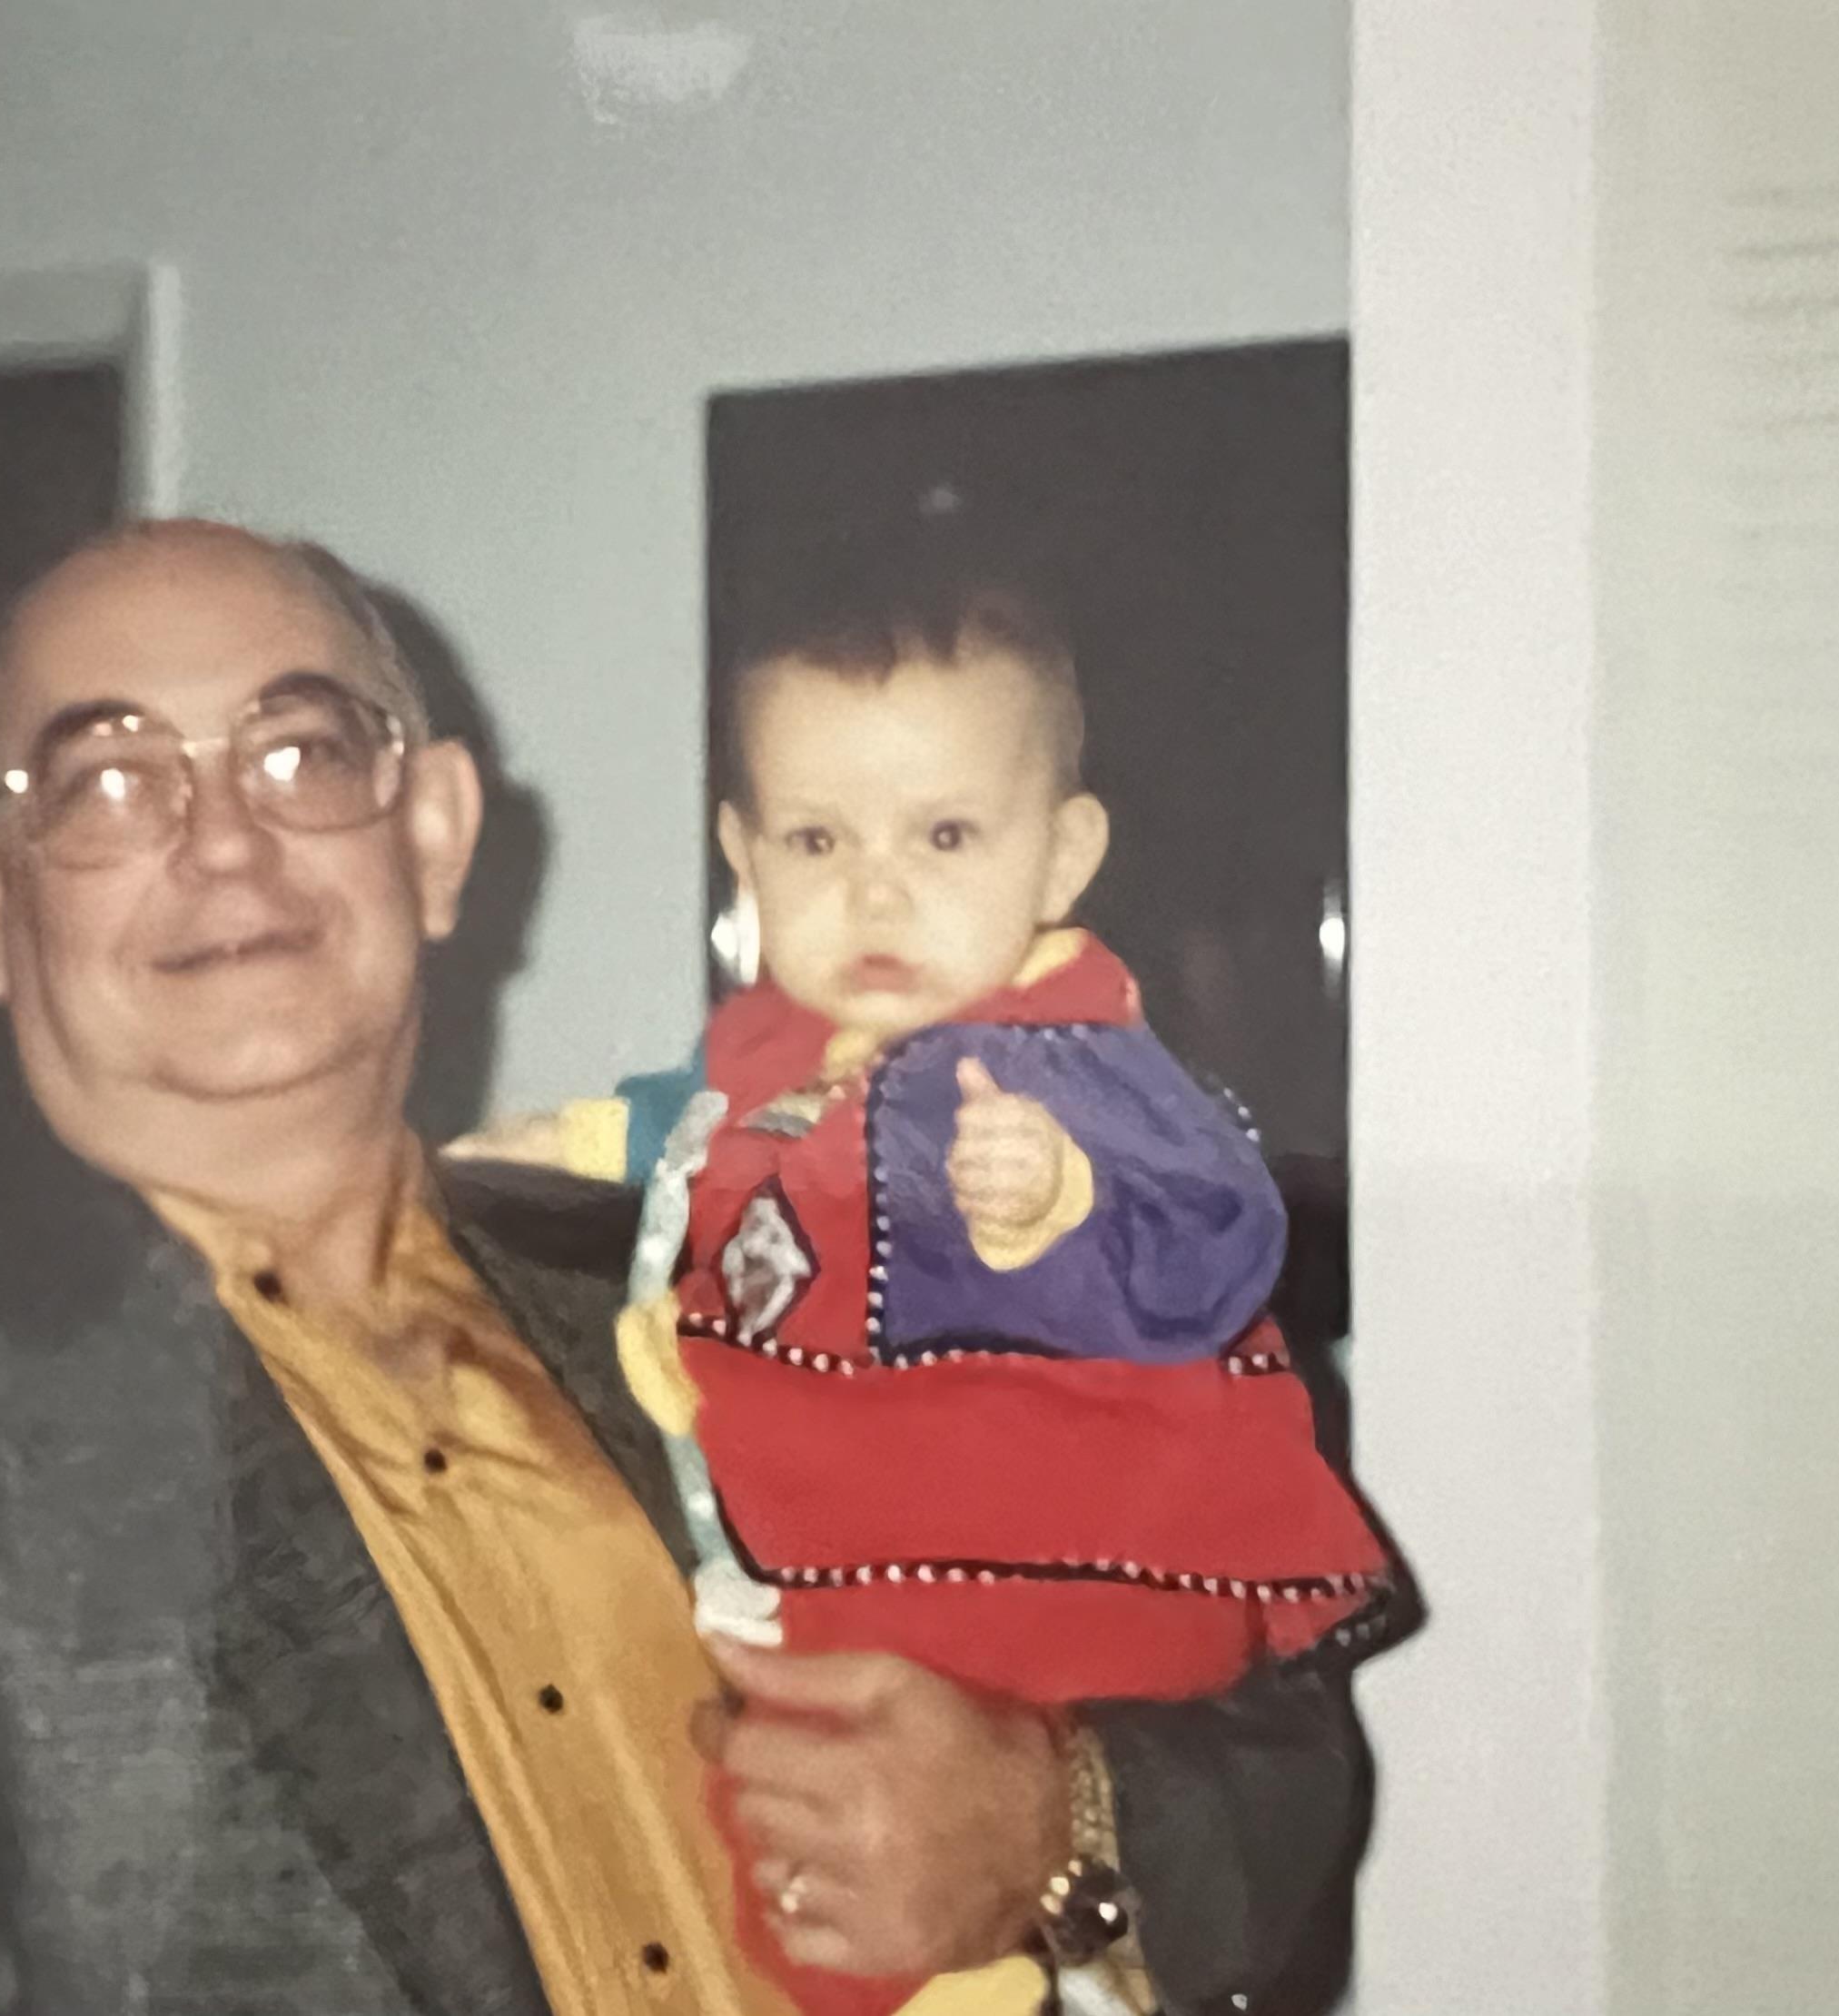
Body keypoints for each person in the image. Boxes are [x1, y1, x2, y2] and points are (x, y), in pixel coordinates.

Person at [0, 519, 1380, 2016]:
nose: (222, 840)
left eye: (300, 754)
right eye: (106, 780)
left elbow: (1277, 1757)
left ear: (431, 836)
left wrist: (1048, 1826)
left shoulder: (698, 1264)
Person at [459, 561, 1399, 2016]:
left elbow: (1212, 1224)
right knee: (791, 1811)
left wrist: (1061, 1194)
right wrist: (564, 1140)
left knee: (885, 1822)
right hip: (861, 1552)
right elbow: (683, 1126)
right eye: (815, 838)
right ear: (742, 855)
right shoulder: (771, 1050)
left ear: (1062, 857)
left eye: (945, 834)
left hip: (1057, 1551)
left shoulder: (1070, 1054)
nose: (875, 889)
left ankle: (964, 1981)